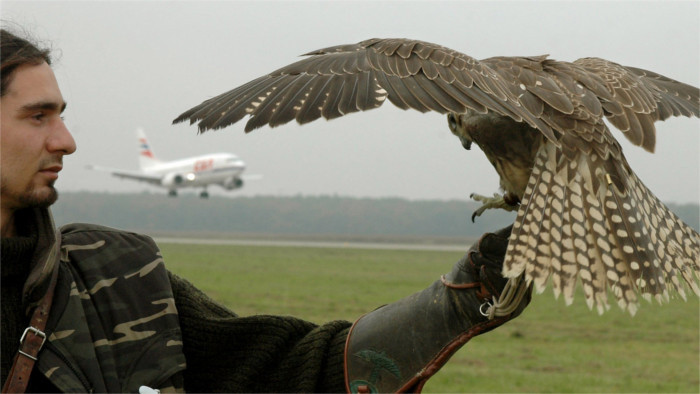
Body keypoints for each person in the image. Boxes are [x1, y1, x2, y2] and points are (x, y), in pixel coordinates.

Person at [0, 26, 531, 393]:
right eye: (38, 117)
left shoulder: (115, 276)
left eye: (62, 115)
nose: (67, 141)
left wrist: (457, 303)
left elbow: (292, 370)